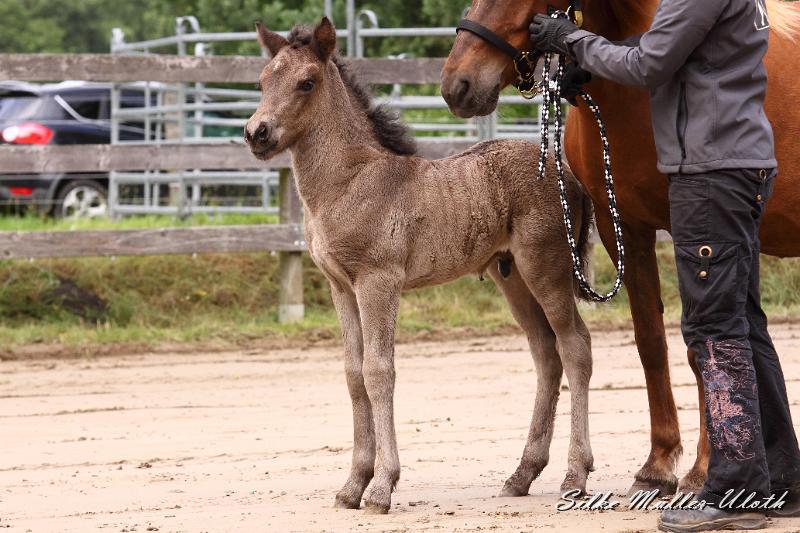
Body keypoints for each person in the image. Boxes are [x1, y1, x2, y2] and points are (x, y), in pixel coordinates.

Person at [529, 0, 800, 531]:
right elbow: (663, 49)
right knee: (743, 322)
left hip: (709, 173)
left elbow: (650, 63)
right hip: (732, 163)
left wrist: (572, 40)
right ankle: (781, 477)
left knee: (713, 327)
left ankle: (737, 489)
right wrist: (592, 62)